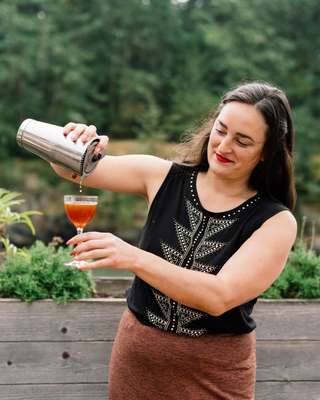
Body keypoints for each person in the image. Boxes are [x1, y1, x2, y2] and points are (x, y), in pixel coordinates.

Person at [51, 81, 297, 400]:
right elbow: (74, 171)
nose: (223, 147)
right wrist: (74, 143)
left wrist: (133, 258)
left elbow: (218, 296)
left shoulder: (275, 221)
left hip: (214, 379)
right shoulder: (161, 176)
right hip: (135, 367)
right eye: (221, 130)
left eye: (243, 141)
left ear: (266, 153)